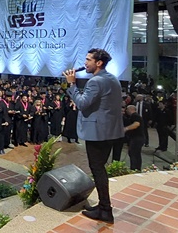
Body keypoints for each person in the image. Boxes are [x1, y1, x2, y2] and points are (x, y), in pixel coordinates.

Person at [64, 48, 124, 224]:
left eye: (89, 59)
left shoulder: (95, 81)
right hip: (110, 131)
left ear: (99, 63)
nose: (85, 63)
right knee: (100, 169)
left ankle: (105, 210)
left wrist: (72, 85)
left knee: (97, 170)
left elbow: (82, 104)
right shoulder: (112, 78)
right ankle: (103, 205)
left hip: (98, 133)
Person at [122, 105, 144, 170]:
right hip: (137, 138)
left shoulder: (135, 116)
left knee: (134, 153)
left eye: (127, 109)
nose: (126, 111)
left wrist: (126, 129)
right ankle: (136, 167)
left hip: (137, 138)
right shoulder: (132, 116)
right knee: (135, 153)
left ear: (131, 109)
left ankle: (134, 168)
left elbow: (136, 124)